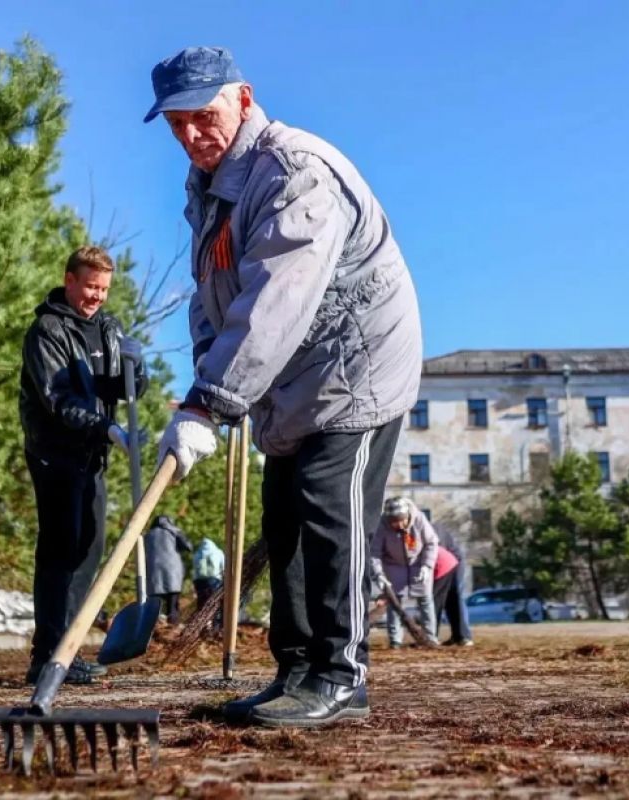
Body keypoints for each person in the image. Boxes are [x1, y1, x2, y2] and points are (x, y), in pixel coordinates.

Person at [146, 46, 422, 727]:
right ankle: (296, 671)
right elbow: (215, 290)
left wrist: (212, 400)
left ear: (243, 98)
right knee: (285, 514)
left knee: (329, 509)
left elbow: (277, 296)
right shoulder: (209, 182)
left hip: (354, 363)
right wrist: (207, 373)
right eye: (176, 124)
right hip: (291, 372)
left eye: (201, 116)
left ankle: (340, 674)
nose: (189, 136)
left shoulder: (292, 172)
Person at [19, 245, 148, 684]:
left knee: (88, 549)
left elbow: (118, 388)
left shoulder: (108, 329)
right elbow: (59, 400)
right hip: (55, 454)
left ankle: (68, 648)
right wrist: (107, 429)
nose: (96, 296)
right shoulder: (47, 331)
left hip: (92, 456)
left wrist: (137, 368)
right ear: (70, 280)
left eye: (104, 289)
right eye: (90, 286)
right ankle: (47, 656)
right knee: (61, 550)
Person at [371, 497, 439, 648]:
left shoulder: (420, 519)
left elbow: (431, 543)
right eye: (393, 521)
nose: (398, 524)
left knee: (426, 601)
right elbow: (374, 552)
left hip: (418, 564)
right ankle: (395, 640)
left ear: (407, 516)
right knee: (395, 603)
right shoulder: (382, 524)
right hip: (393, 566)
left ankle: (430, 638)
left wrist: (427, 566)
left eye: (401, 520)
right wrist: (379, 574)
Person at [144, 515, 194, 624]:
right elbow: (188, 547)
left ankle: (152, 631)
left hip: (153, 575)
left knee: (154, 607)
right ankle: (172, 629)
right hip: (172, 573)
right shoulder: (173, 532)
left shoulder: (147, 535)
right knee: (173, 606)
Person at [434, 525, 474, 646]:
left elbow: (438, 554)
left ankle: (463, 636)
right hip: (441, 565)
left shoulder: (430, 530)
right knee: (444, 600)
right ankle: (455, 636)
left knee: (455, 597)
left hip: (454, 563)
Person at [192, 537, 226, 615]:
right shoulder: (218, 552)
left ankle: (201, 623)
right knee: (214, 601)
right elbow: (224, 567)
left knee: (201, 602)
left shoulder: (197, 553)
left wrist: (194, 583)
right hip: (214, 580)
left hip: (199, 581)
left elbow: (195, 569)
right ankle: (215, 623)